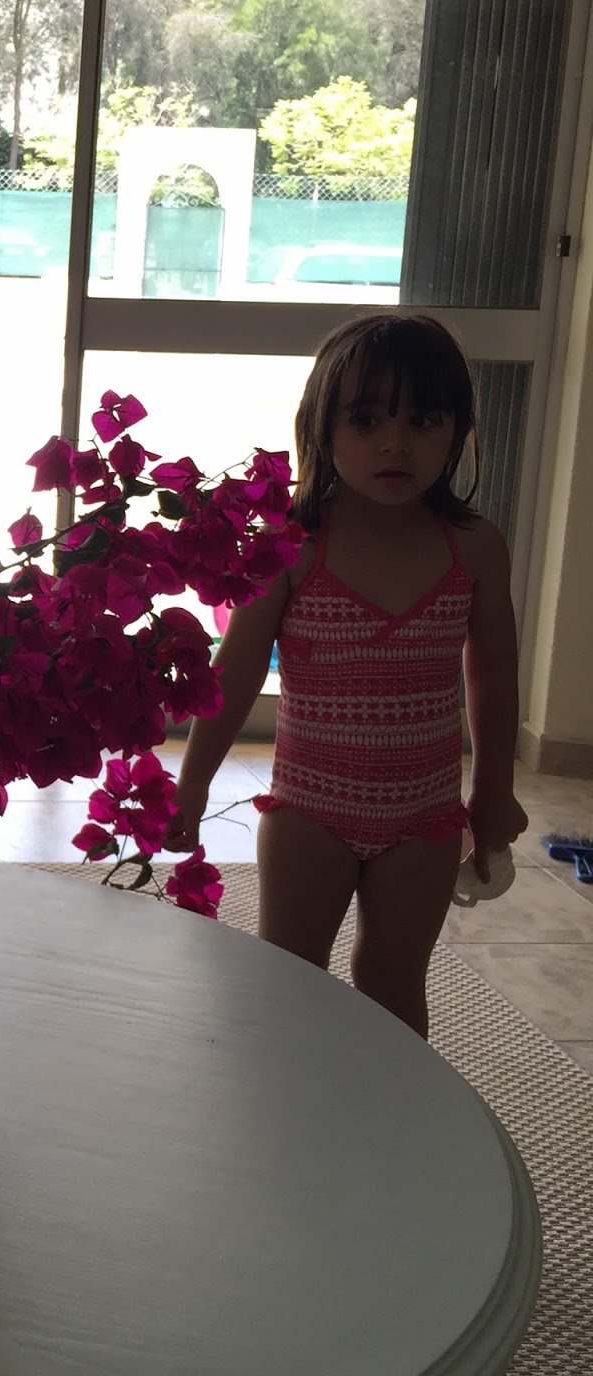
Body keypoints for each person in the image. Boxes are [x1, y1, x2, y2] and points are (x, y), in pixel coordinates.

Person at [168, 314, 528, 1038]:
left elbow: (493, 674)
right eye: (366, 420)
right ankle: (287, 1097)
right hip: (310, 813)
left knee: (392, 984)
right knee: (291, 981)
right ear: (321, 427)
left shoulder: (475, 548)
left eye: (422, 420)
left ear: (458, 429)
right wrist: (193, 784)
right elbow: (236, 672)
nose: (395, 444)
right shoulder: (293, 544)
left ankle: (388, 1104)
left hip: (424, 818)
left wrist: (494, 789)